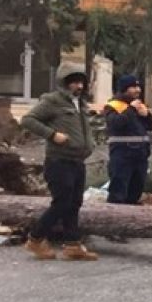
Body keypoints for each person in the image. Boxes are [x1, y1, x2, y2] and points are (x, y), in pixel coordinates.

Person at [19, 62, 98, 261]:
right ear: (64, 83)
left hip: (77, 161)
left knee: (75, 203)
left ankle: (72, 245)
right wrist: (52, 135)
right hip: (59, 160)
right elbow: (28, 120)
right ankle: (35, 239)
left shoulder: (80, 103)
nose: (79, 86)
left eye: (81, 82)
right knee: (62, 202)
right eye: (74, 82)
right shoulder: (52, 101)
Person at [105, 75, 152, 206]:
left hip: (140, 154)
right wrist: (131, 110)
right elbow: (115, 124)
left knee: (135, 190)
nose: (138, 90)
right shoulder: (114, 105)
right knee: (119, 191)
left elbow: (150, 126)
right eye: (133, 87)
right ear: (124, 89)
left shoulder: (138, 105)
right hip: (122, 154)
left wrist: (147, 115)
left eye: (138, 86)